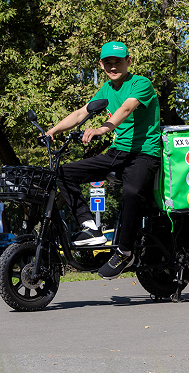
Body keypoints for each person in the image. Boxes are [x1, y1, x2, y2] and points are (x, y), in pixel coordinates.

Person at [44, 41, 161, 279]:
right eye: (108, 63)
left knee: (131, 191)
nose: (113, 67)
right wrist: (52, 131)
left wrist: (102, 129)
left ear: (128, 61)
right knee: (65, 173)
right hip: (118, 152)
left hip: (144, 154)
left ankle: (125, 251)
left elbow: (127, 109)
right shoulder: (106, 90)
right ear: (101, 65)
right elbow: (80, 113)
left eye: (118, 62)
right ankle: (91, 228)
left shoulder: (141, 84)